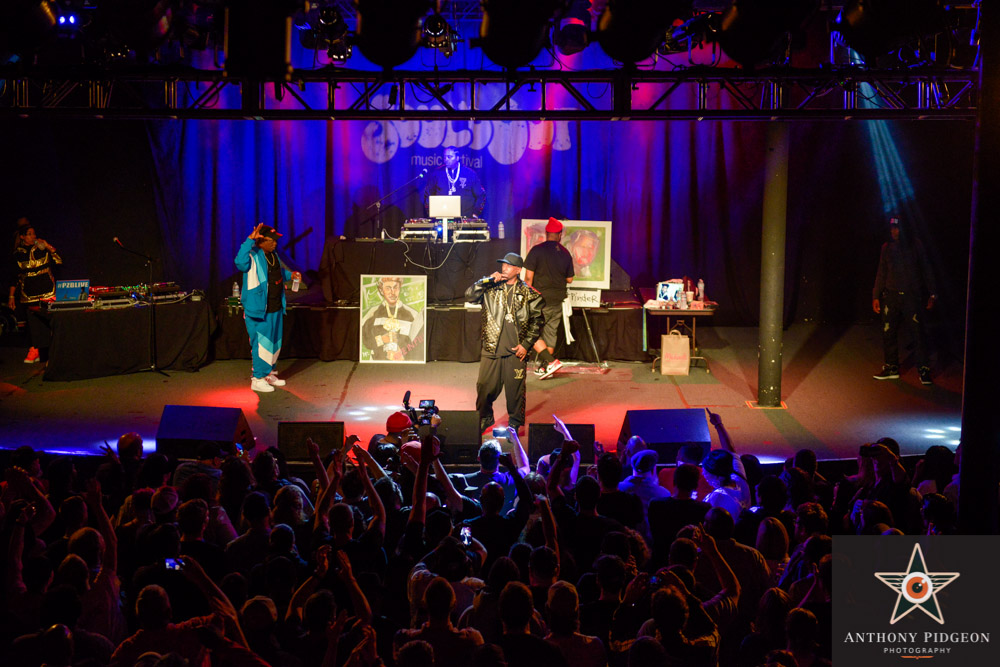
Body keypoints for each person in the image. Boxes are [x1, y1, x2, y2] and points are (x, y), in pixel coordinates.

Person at [464, 252, 544, 435]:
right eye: (503, 265)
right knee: (484, 386)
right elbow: (469, 296)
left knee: (515, 391)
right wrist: (486, 281)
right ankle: (485, 417)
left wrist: (526, 345)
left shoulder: (530, 294)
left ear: (518, 269)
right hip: (492, 346)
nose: (504, 268)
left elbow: (537, 323)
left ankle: (514, 423)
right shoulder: (491, 288)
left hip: (516, 350)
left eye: (508, 265)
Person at [234, 222, 300, 393]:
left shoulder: (273, 255)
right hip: (259, 310)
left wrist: (290, 275)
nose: (275, 243)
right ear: (261, 241)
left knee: (274, 344)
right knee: (261, 345)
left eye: (276, 240)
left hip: (276, 307)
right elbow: (239, 263)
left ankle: (269, 373)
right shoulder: (252, 255)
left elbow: (276, 273)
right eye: (272, 240)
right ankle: (257, 378)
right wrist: (249, 240)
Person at [872, 216, 936, 385]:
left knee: (918, 334)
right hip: (891, 296)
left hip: (911, 297)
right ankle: (892, 367)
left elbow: (926, 270)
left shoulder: (916, 245)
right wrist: (875, 295)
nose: (894, 231)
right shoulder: (886, 247)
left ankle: (924, 369)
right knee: (888, 332)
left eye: (897, 228)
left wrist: (932, 294)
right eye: (892, 228)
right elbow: (881, 272)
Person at [523, 217, 575, 379]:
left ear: (546, 233)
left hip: (539, 300)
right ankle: (546, 368)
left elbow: (528, 278)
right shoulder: (566, 253)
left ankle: (550, 362)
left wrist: (525, 297)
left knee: (529, 332)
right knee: (551, 333)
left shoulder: (536, 250)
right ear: (560, 235)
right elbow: (570, 279)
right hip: (557, 299)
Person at [8, 217, 62, 364]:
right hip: (29, 293)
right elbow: (14, 277)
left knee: (51, 320)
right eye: (30, 234)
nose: (33, 236)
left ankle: (54, 351)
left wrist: (49, 247)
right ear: (22, 237)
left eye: (34, 234)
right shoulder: (17, 254)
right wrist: (11, 296)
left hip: (47, 290)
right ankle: (36, 349)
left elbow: (59, 261)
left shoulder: (41, 248)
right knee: (34, 324)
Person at [362, 276, 424, 361]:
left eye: (395, 288)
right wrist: (382, 339)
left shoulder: (412, 315)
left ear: (400, 288)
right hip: (377, 366)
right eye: (388, 288)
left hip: (405, 366)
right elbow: (366, 342)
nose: (392, 292)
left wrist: (402, 354)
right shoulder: (372, 314)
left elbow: (419, 342)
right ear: (381, 290)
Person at [423, 146, 486, 218]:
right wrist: (431, 212)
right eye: (445, 157)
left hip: (465, 219)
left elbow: (481, 195)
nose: (446, 160)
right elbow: (427, 194)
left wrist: (475, 213)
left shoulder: (469, 173)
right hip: (442, 219)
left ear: (457, 158)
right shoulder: (437, 173)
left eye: (449, 157)